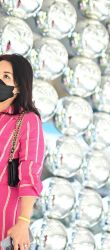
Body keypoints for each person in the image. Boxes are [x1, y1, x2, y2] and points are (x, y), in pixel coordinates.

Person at [0, 54, 45, 250]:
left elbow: (30, 173)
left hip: (4, 214)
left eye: (6, 77)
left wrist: (24, 222)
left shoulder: (27, 120)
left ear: (18, 87)